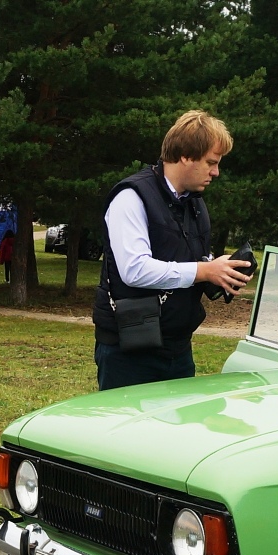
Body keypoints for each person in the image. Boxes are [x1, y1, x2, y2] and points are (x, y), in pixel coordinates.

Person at [90, 109, 251, 390]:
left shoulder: (194, 202)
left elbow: (186, 257)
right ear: (187, 156)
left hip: (178, 348)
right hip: (128, 351)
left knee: (176, 433)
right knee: (127, 434)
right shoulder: (131, 197)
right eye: (211, 162)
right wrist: (203, 270)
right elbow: (134, 270)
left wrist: (218, 271)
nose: (216, 172)